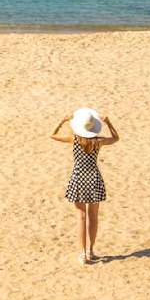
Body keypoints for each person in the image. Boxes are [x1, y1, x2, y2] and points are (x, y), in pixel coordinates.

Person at [51, 107, 120, 265]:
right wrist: (109, 123)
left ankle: (82, 253)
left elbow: (52, 135)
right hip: (94, 178)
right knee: (93, 217)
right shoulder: (98, 141)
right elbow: (116, 138)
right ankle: (91, 251)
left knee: (81, 217)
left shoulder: (74, 140)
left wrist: (62, 121)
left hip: (79, 178)